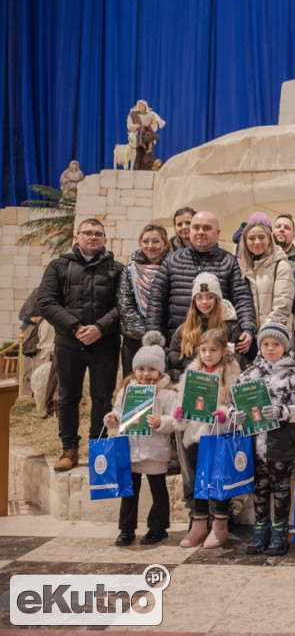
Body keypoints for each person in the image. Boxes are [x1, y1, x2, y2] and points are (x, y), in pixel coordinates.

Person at [37, 218, 123, 471]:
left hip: (104, 343)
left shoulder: (116, 269)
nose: (93, 237)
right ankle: (69, 448)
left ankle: (100, 449)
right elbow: (46, 302)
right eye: (88, 233)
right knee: (67, 397)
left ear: (105, 240)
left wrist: (100, 328)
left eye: (98, 234)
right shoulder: (58, 266)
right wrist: (76, 327)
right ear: (77, 237)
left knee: (102, 398)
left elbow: (123, 306)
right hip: (68, 343)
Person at [230, 321, 295, 556]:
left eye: (276, 344)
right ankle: (261, 529)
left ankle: (279, 531)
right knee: (260, 487)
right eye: (266, 344)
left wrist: (283, 413)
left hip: (281, 442)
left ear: (284, 347)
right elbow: (231, 405)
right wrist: (235, 416)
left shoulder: (294, 376)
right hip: (254, 444)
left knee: (281, 487)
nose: (270, 348)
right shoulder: (249, 375)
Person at [102, 331, 179, 546]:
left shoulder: (167, 393)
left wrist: (160, 422)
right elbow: (118, 411)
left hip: (154, 450)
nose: (145, 374)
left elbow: (175, 419)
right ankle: (126, 529)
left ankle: (158, 527)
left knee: (158, 489)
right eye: (141, 369)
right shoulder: (128, 389)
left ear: (160, 370)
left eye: (151, 369)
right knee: (129, 490)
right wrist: (112, 418)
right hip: (130, 448)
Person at [146, 211, 256, 356]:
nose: (200, 232)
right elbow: (156, 301)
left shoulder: (229, 262)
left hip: (216, 345)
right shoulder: (171, 261)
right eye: (196, 228)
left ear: (217, 233)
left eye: (207, 228)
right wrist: (154, 339)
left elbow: (242, 298)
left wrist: (248, 329)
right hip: (179, 343)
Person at [174, 328, 241, 548]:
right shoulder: (192, 372)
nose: (208, 355)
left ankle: (220, 527)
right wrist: (180, 414)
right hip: (196, 435)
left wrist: (225, 414)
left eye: (213, 350)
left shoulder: (232, 372)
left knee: (219, 478)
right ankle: (199, 526)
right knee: (199, 480)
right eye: (203, 350)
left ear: (223, 351)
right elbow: (183, 401)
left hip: (219, 435)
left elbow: (236, 406)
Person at [167, 273, 244, 382]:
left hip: (220, 388)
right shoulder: (183, 330)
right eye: (199, 297)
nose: (204, 302)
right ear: (194, 301)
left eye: (210, 296)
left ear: (217, 299)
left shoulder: (231, 328)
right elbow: (174, 366)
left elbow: (237, 362)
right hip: (189, 388)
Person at [118, 224, 171, 378]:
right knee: (134, 387)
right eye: (146, 241)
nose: (150, 246)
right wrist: (148, 335)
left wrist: (159, 335)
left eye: (156, 241)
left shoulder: (172, 268)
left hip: (165, 340)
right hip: (134, 339)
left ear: (165, 243)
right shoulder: (129, 271)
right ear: (140, 242)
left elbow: (173, 304)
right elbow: (125, 306)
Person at [237, 218, 295, 345]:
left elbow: (282, 306)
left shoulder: (281, 266)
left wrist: (264, 333)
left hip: (273, 337)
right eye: (252, 238)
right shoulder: (241, 266)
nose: (257, 242)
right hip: (248, 339)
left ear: (269, 239)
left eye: (261, 237)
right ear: (245, 241)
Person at [126, 99, 165, 170]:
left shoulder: (151, 115)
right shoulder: (133, 114)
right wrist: (134, 126)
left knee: (148, 154)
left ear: (145, 106)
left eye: (142, 105)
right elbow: (129, 125)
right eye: (139, 105)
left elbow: (154, 126)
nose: (141, 107)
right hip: (137, 137)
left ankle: (148, 168)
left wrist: (149, 126)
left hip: (147, 137)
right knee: (138, 154)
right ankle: (138, 168)